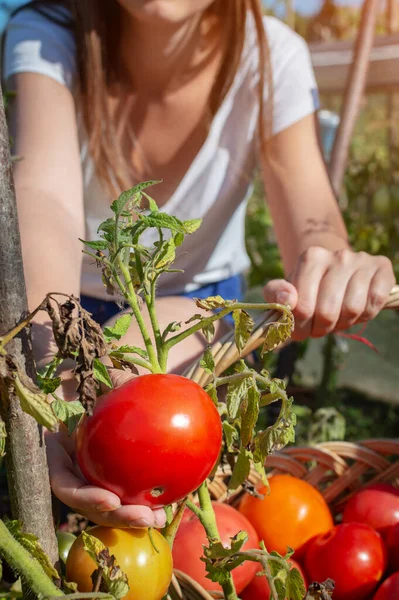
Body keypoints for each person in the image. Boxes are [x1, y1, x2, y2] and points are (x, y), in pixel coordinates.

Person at [3, 0, 395, 529]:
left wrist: (330, 264)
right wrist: (57, 365)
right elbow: (44, 198)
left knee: (194, 502)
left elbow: (311, 220)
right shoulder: (51, 33)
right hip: (64, 311)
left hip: (209, 321)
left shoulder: (272, 56)